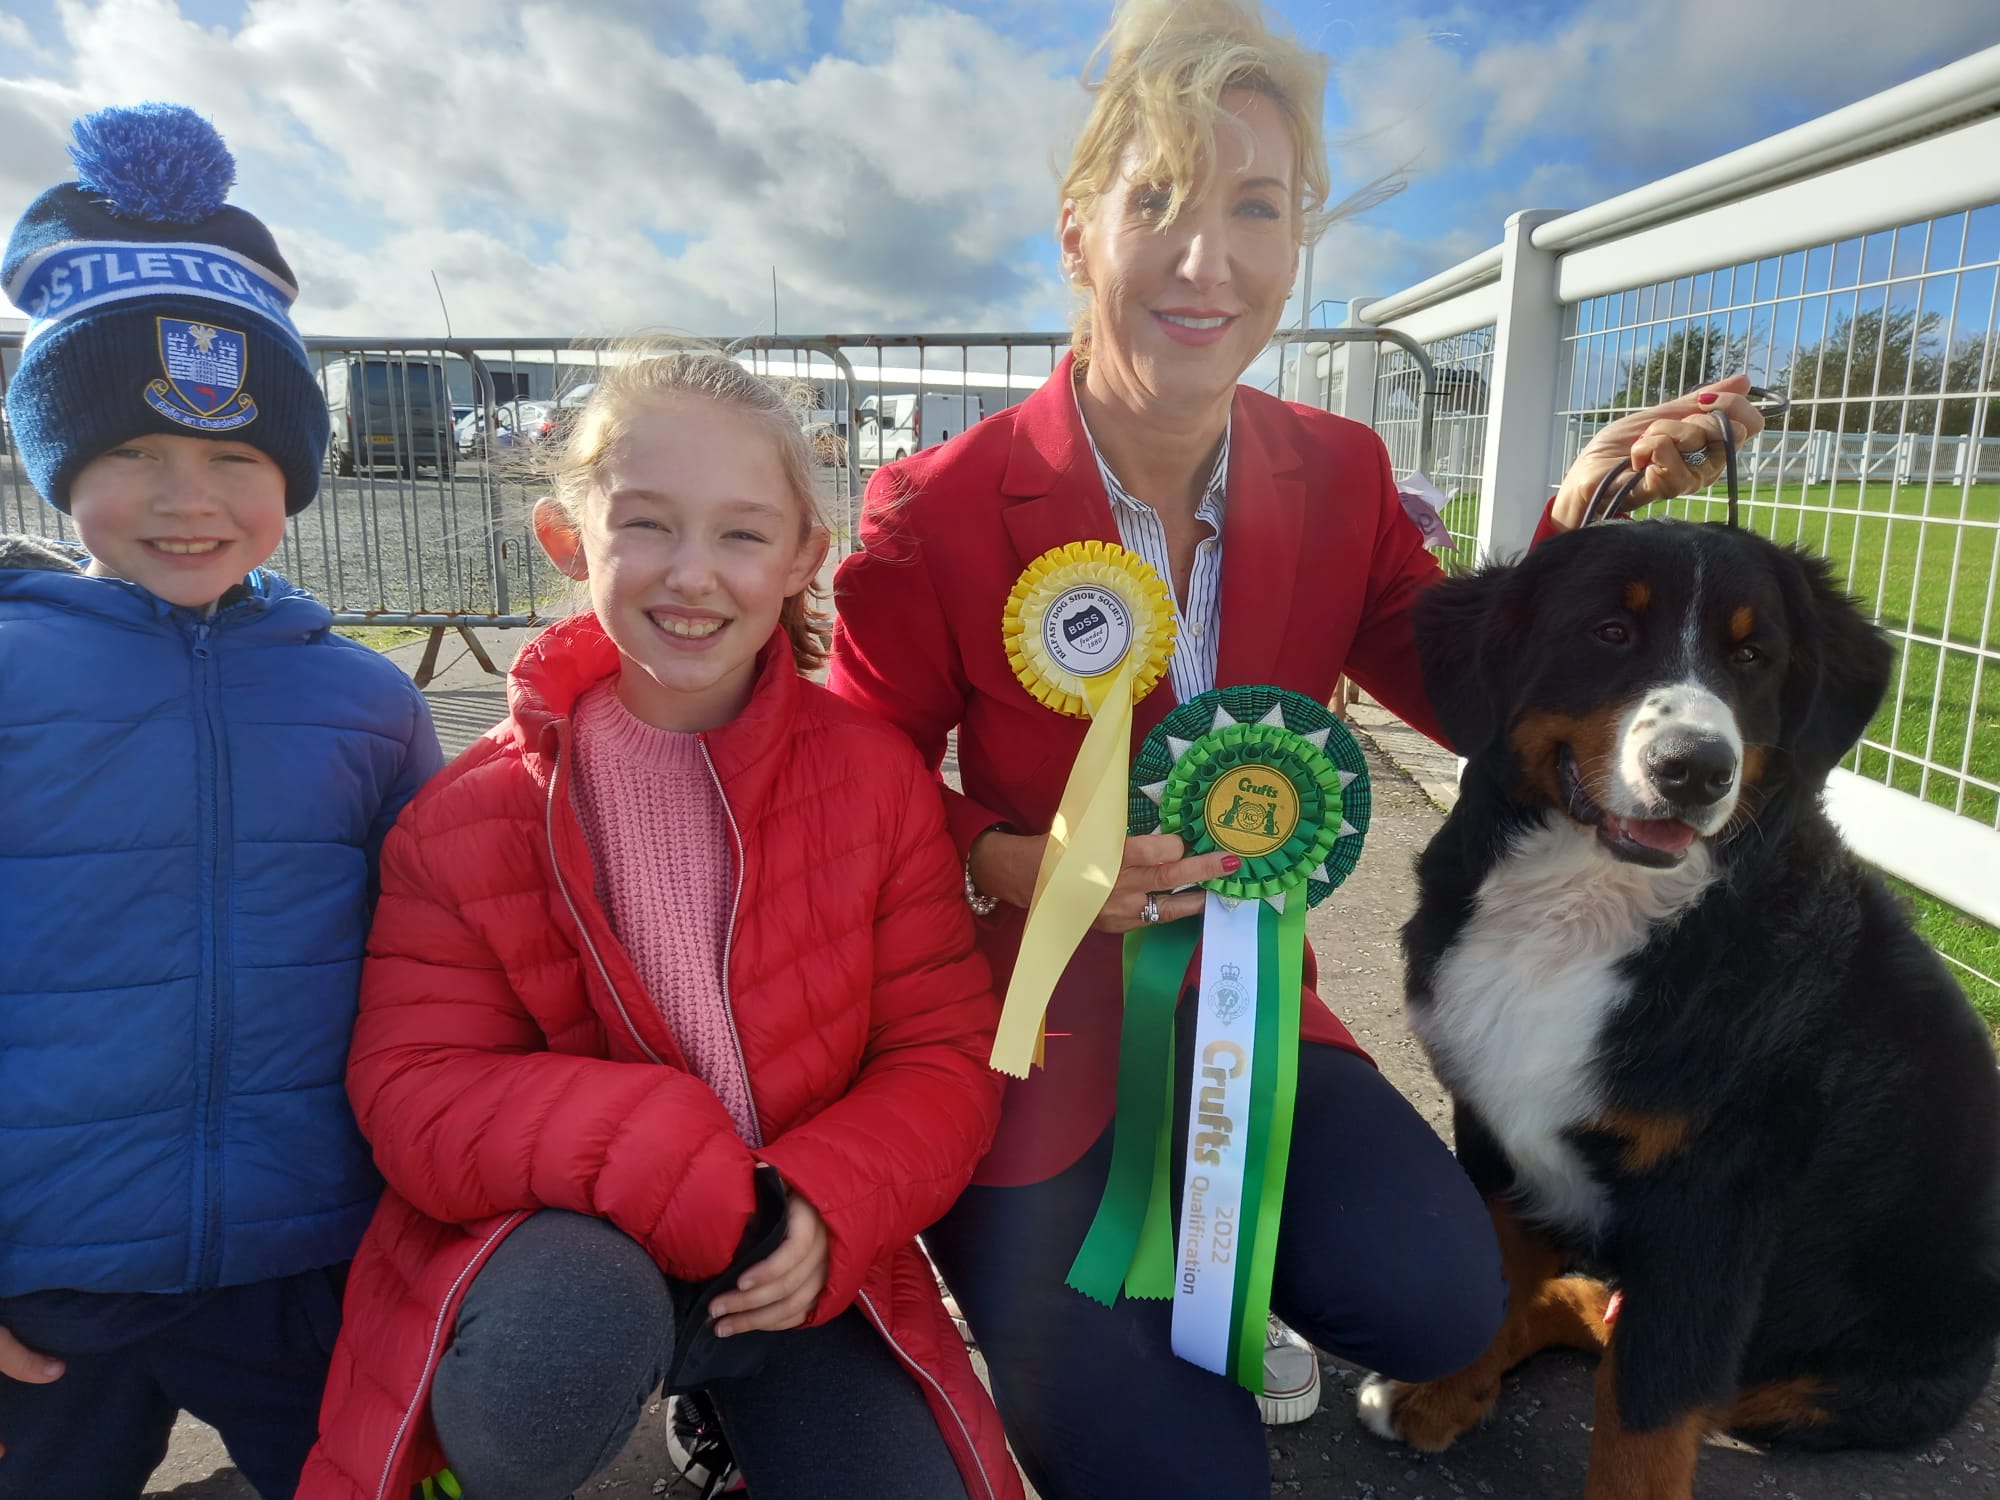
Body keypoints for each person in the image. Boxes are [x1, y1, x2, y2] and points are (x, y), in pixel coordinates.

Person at [827, 3, 1765, 1496]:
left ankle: (1196, 1282)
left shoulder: (1339, 471)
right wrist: (1013, 854)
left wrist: (1580, 526)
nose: (1211, 262)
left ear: (1300, 237)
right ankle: (1070, 1312)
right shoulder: (934, 510)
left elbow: (1467, 679)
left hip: (1250, 1025)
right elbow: (853, 775)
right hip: (1015, 1037)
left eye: (1257, 208)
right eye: (1160, 205)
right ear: (1079, 234)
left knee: (1440, 1298)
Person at [299, 351, 1022, 1500]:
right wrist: (676, 1158)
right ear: (565, 538)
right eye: (647, 525)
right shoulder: (469, 815)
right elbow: (414, 1086)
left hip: (793, 1249)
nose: (693, 575)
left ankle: (736, 1415)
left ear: (799, 559)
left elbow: (938, 1054)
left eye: (741, 535)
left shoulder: (876, 783)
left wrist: (833, 1201)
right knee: (545, 1373)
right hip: (573, 1245)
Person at [0, 104, 443, 1498]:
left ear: (295, 476)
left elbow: (438, 963)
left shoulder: (367, 704)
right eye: (133, 451)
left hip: (302, 1260)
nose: (187, 500)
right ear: (55, 461)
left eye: (238, 458)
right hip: (43, 1275)